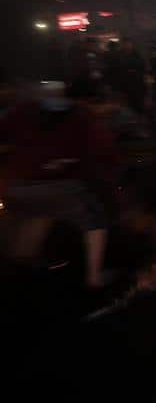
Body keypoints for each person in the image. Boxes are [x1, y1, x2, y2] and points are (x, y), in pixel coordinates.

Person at [0, 81, 120, 289]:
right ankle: (94, 277)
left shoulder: (21, 111)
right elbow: (104, 153)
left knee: (33, 216)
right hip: (56, 187)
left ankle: (17, 277)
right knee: (95, 218)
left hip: (14, 187)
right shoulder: (80, 117)